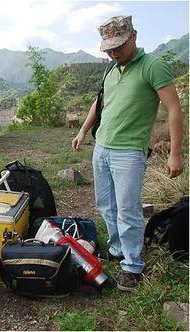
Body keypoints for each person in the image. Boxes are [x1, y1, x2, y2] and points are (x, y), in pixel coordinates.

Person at [72, 16, 183, 292]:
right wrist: (84, 131)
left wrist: (175, 153)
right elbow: (100, 104)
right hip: (102, 148)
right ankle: (118, 248)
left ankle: (133, 266)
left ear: (133, 35)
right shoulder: (111, 68)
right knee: (106, 204)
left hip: (129, 152)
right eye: (108, 48)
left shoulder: (153, 67)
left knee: (128, 210)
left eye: (118, 46)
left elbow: (173, 109)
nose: (113, 53)